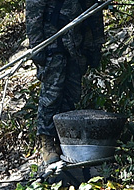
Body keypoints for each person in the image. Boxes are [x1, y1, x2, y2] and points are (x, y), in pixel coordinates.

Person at [26, 0, 105, 164]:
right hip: (52, 44)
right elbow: (33, 11)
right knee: (51, 95)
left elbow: (95, 10)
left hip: (76, 44)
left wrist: (95, 45)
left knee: (72, 95)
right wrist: (37, 46)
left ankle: (65, 141)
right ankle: (47, 143)